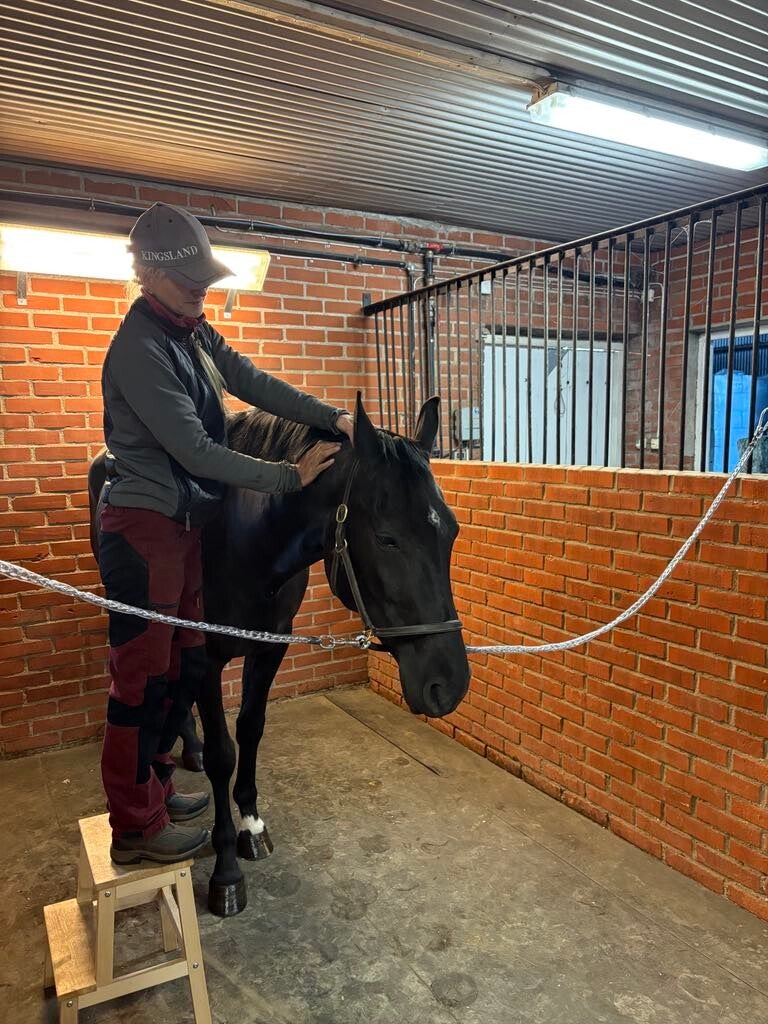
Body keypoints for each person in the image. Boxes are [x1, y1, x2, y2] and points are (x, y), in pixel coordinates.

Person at [98, 202, 353, 864]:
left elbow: (250, 381)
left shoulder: (190, 333)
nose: (201, 292)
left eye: (204, 281)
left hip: (185, 526)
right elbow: (196, 450)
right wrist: (289, 477)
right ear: (149, 275)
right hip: (146, 530)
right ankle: (134, 827)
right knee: (141, 680)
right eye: (188, 281)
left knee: (181, 667)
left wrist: (330, 416)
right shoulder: (140, 350)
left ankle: (155, 789)